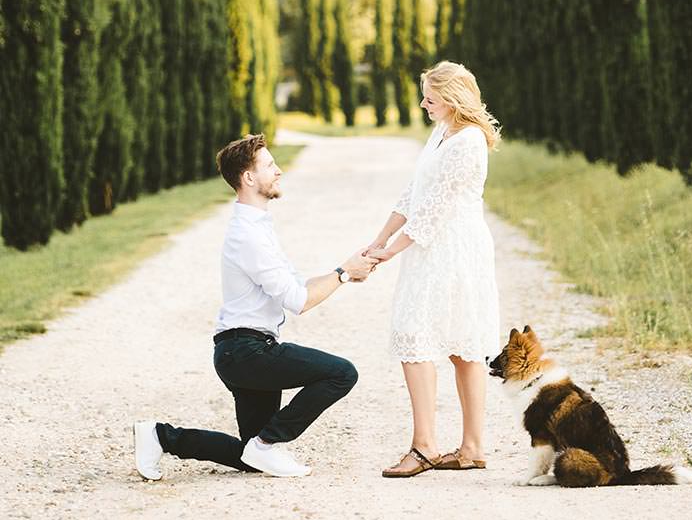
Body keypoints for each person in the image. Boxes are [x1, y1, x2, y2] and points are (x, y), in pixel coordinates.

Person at [133, 133, 377, 480]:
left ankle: (160, 436)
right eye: (269, 166)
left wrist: (347, 271)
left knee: (251, 458)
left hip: (244, 351)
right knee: (341, 373)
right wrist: (342, 274)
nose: (278, 171)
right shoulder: (248, 235)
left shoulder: (258, 228)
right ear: (248, 178)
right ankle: (267, 443)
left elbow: (298, 286)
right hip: (247, 352)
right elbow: (298, 302)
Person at [365, 61, 501, 477]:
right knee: (423, 334)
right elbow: (414, 193)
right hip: (429, 249)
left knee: (448, 339)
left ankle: (442, 447)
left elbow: (436, 209)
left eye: (430, 96)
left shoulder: (470, 141)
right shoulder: (441, 132)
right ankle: (455, 446)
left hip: (455, 250)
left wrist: (392, 252)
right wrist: (380, 238)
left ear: (454, 97)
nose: (424, 103)